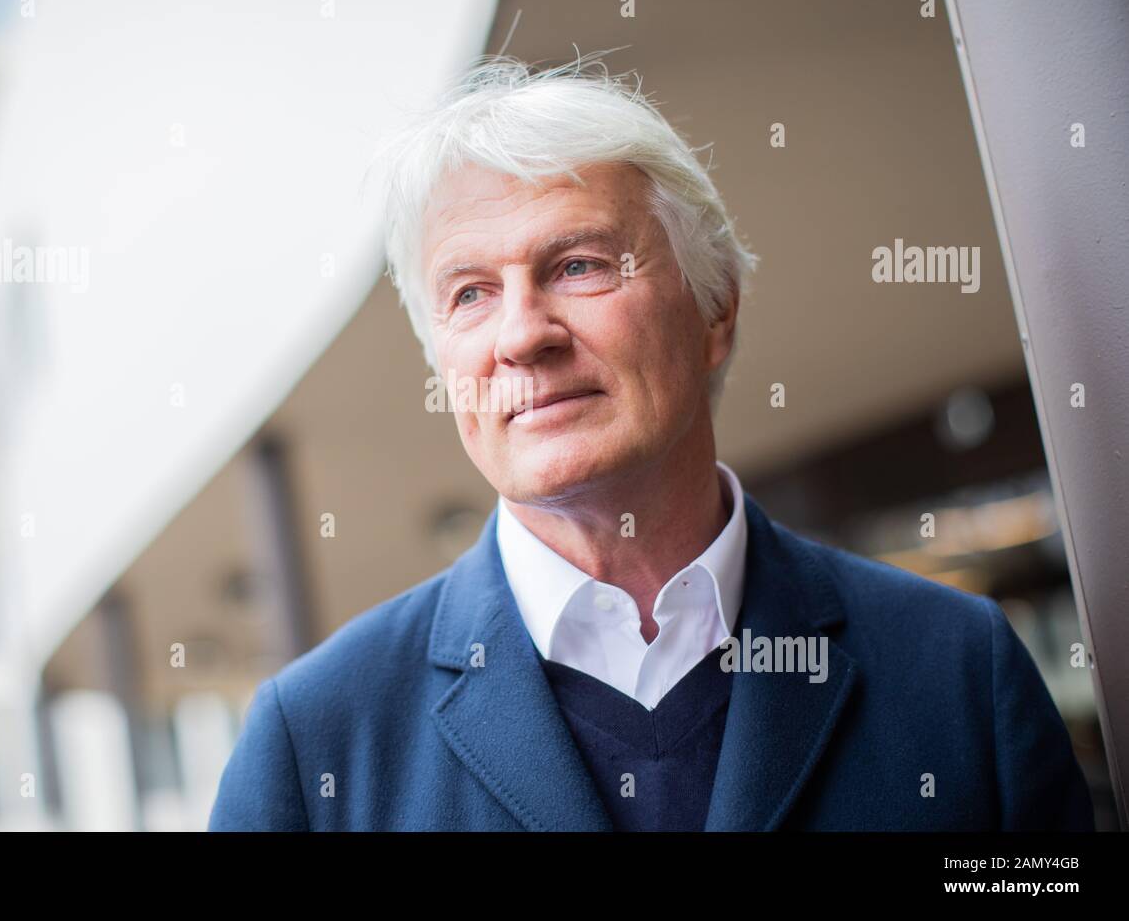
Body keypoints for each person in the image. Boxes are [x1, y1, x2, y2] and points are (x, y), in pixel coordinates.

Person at [209, 56, 1094, 831]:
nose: (522, 334)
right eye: (470, 293)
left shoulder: (954, 670)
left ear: (715, 310)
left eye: (579, 266)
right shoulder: (316, 739)